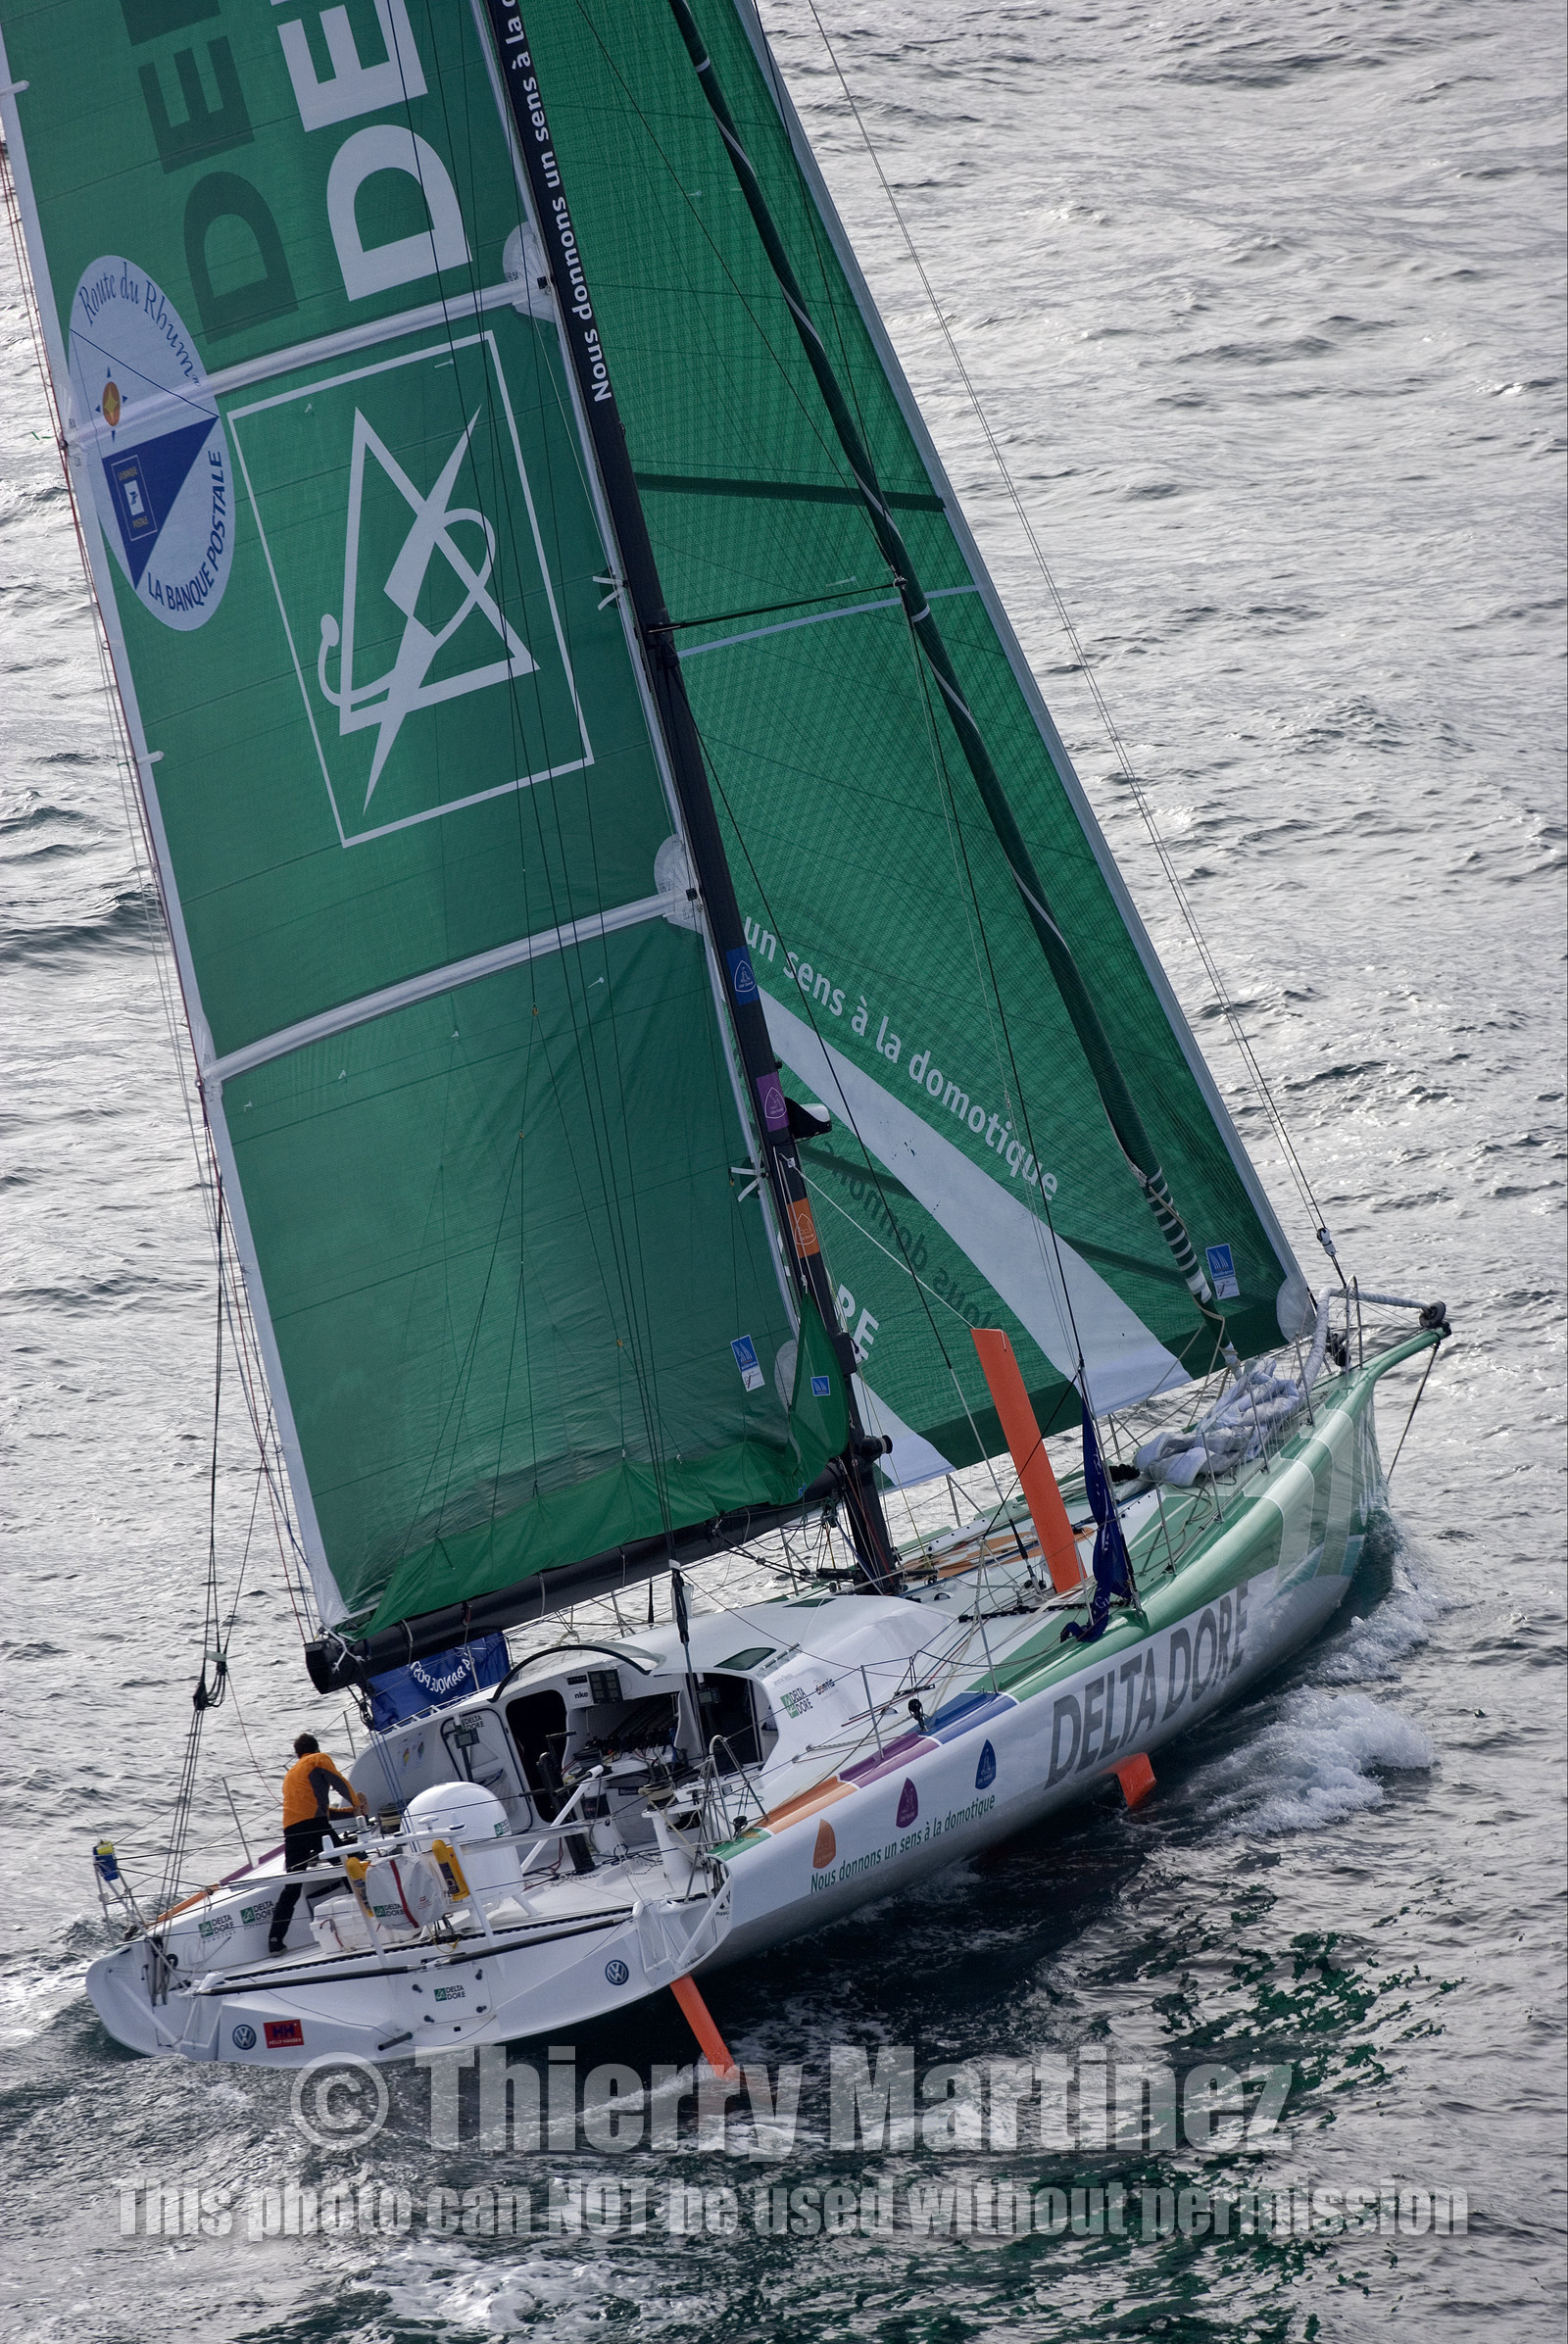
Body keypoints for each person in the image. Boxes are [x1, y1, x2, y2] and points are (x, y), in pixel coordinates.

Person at [267, 1733, 368, 1956]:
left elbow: (319, 1812)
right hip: (315, 1827)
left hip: (292, 1832)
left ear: (297, 1753)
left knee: (292, 1886)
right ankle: (371, 1913)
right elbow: (340, 1783)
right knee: (348, 1865)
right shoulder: (317, 1759)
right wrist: (357, 1804)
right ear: (315, 1748)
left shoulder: (292, 1774)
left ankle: (274, 1941)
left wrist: (349, 1812)